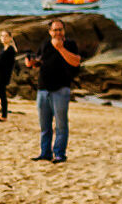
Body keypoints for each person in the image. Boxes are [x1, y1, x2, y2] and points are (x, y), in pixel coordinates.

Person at [24, 19, 82, 162]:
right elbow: (40, 61)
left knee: (61, 125)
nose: (58, 32)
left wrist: (61, 48)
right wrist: (31, 63)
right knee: (45, 125)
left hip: (61, 89)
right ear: (50, 32)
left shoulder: (70, 44)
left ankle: (59, 154)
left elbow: (76, 61)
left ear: (64, 31)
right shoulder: (45, 44)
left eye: (60, 29)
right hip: (43, 89)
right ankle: (45, 153)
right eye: (55, 30)